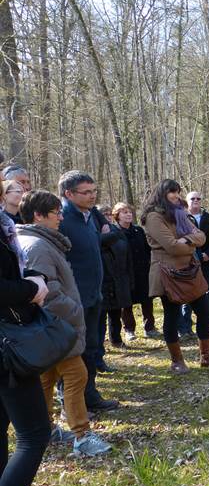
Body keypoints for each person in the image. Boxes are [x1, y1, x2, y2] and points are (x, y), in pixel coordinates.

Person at [17, 191, 112, 457]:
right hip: (54, 326)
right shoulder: (36, 246)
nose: (60, 217)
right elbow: (47, 293)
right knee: (76, 375)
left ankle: (44, 429)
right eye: (55, 213)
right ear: (38, 215)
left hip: (49, 326)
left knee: (48, 377)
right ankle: (82, 436)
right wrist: (74, 310)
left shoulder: (40, 240)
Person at [0, 187, 50, 486]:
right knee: (34, 434)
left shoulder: (5, 224)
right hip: (7, 346)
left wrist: (34, 279)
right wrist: (32, 288)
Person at [142, 179, 209, 372]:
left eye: (178, 192)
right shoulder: (154, 216)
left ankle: (206, 357)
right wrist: (190, 245)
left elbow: (202, 236)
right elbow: (171, 246)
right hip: (167, 272)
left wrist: (186, 240)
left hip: (189, 271)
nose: (176, 195)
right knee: (172, 317)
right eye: (172, 192)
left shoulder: (180, 213)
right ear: (162, 193)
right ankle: (177, 361)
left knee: (205, 313)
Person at [58, 170, 119, 412]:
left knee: (92, 347)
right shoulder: (61, 219)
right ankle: (71, 405)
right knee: (73, 353)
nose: (92, 196)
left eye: (94, 191)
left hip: (94, 295)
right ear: (69, 194)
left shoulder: (89, 215)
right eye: (86, 192)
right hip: (72, 299)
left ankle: (90, 395)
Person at [95, 204, 133, 366]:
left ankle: (116, 339)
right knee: (100, 316)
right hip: (103, 279)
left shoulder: (117, 231)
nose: (107, 217)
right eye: (103, 214)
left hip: (119, 276)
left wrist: (129, 277)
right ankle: (98, 348)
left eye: (108, 214)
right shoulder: (94, 233)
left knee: (116, 313)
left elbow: (127, 254)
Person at [114, 202, 158, 340]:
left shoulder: (139, 231)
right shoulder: (115, 232)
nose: (128, 215)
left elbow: (148, 249)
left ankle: (149, 328)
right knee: (127, 303)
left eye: (129, 212)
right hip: (125, 273)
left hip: (142, 272)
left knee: (147, 301)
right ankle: (129, 330)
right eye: (124, 212)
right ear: (117, 216)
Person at [185, 191, 209, 319]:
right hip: (188, 259)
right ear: (187, 201)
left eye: (198, 198)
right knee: (188, 288)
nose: (196, 200)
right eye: (192, 198)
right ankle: (187, 318)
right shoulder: (182, 218)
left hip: (207, 258)